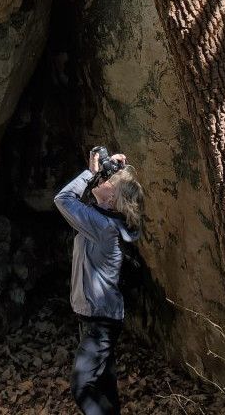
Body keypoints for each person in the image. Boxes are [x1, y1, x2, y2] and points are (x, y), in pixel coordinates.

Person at [54, 147, 145, 415]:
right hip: (99, 316)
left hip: (99, 320)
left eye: (106, 181)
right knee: (104, 385)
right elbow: (83, 204)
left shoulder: (102, 227)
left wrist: (90, 172)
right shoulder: (105, 221)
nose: (100, 181)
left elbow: (63, 199)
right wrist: (103, 173)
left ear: (113, 196)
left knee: (82, 386)